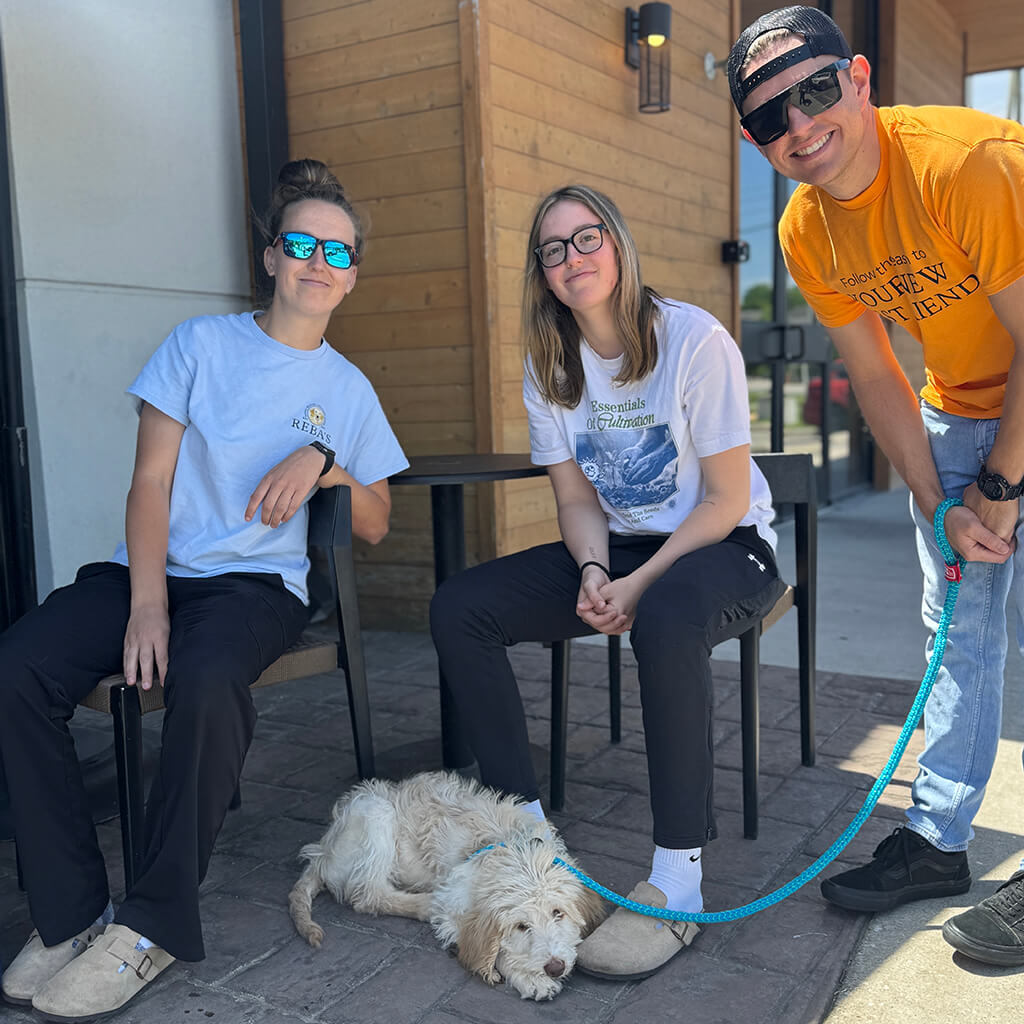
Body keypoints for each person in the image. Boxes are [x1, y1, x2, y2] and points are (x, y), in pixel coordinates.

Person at [0, 158, 408, 1020]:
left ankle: (151, 923)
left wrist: (326, 462)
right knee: (18, 666)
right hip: (149, 571)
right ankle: (70, 914)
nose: (319, 262)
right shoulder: (199, 345)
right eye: (302, 244)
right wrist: (148, 602)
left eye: (338, 251)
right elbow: (150, 483)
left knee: (210, 676)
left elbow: (376, 521)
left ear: (353, 275)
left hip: (255, 588)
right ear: (271, 256)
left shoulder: (349, 390)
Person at [729, 5, 1024, 966]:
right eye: (770, 117)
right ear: (754, 141)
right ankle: (937, 841)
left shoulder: (963, 165)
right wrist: (941, 502)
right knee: (958, 631)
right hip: (960, 406)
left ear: (858, 77)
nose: (800, 124)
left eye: (815, 89)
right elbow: (876, 372)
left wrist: (1002, 485)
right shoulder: (805, 230)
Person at [430, 184, 786, 980]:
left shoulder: (693, 339)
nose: (572, 258)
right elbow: (575, 498)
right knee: (462, 607)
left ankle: (678, 881)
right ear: (543, 273)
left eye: (586, 238)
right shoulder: (550, 362)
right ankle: (526, 838)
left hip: (727, 544)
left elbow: (727, 498)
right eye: (552, 249)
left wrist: (641, 581)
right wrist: (595, 570)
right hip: (619, 546)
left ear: (618, 244)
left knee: (664, 618)